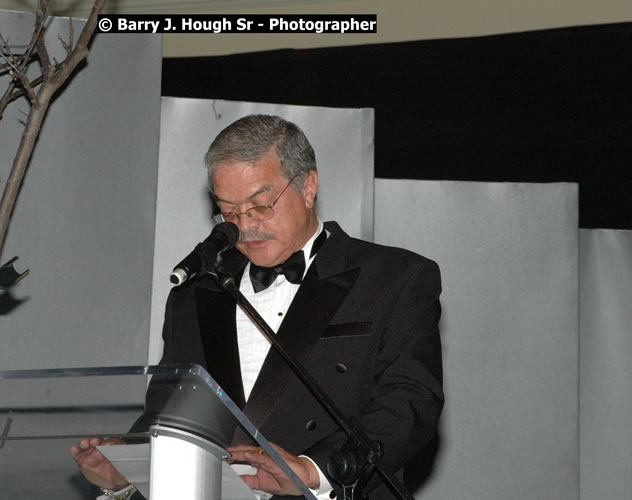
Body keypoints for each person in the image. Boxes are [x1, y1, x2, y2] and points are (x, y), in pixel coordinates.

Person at [71, 114, 444, 499]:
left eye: (261, 205)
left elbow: (409, 404)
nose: (245, 225)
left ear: (308, 186)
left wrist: (313, 470)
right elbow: (169, 418)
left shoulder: (394, 278)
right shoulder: (197, 294)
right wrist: (130, 469)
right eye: (228, 212)